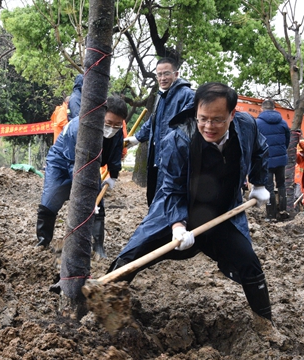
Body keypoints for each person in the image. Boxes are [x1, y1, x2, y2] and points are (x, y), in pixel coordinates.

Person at [108, 82, 274, 328]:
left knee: (249, 264)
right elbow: (171, 188)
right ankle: (106, 308)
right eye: (203, 118)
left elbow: (260, 149)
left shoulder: (247, 126)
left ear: (232, 114)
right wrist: (177, 225)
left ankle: (265, 324)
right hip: (177, 212)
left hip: (221, 214)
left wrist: (259, 184)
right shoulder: (179, 138)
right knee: (132, 257)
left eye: (217, 120)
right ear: (195, 112)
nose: (208, 126)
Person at [36, 95, 128, 258]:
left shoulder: (118, 131)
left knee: (97, 206)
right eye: (108, 123)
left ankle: (98, 246)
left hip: (91, 166)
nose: (112, 128)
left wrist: (113, 175)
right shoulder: (80, 128)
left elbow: (115, 153)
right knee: (50, 200)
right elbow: (76, 166)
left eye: (117, 125)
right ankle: (43, 241)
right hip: (62, 162)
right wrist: (86, 195)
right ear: (100, 115)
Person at [123, 57, 194, 206]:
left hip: (172, 158)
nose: (162, 78)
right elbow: (154, 122)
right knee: (154, 197)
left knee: (168, 199)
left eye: (166, 74)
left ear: (176, 74)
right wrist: (137, 138)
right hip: (156, 157)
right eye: (159, 74)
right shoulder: (161, 96)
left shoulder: (187, 95)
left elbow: (186, 130)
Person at [256, 99, 290, 221]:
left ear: (262, 108)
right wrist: (281, 151)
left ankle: (270, 215)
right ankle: (283, 211)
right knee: (281, 184)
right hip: (281, 159)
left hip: (266, 160)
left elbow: (255, 142)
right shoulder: (283, 123)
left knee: (269, 187)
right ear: (274, 109)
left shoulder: (258, 123)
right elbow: (287, 140)